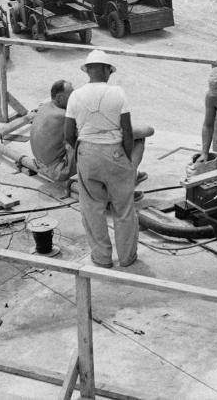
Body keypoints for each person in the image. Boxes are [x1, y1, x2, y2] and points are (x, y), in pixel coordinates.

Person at [64, 49, 152, 269]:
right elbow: (127, 131)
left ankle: (102, 258)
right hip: (114, 152)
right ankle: (127, 257)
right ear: (106, 70)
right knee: (124, 208)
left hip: (86, 153)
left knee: (92, 209)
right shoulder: (118, 93)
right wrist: (127, 161)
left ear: (88, 71)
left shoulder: (75, 96)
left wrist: (83, 151)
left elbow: (68, 135)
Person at [29, 79, 75, 183]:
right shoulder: (63, 116)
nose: (74, 99)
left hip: (39, 163)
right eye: (71, 96)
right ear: (59, 98)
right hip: (57, 171)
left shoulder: (44, 107)